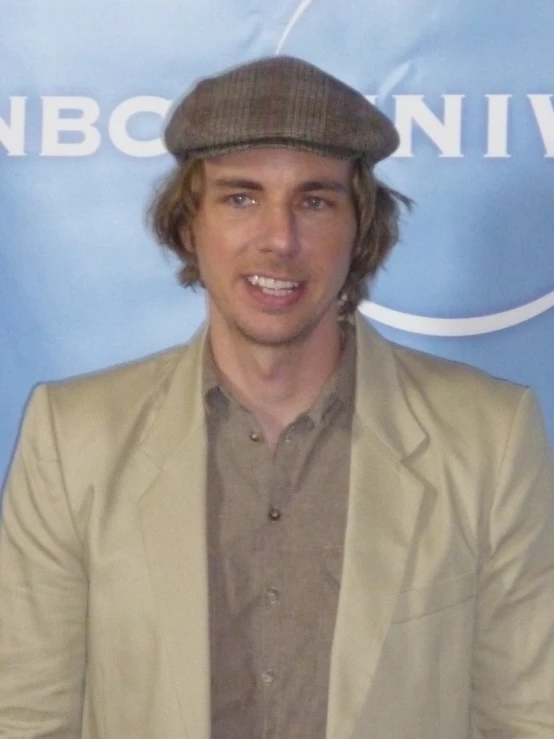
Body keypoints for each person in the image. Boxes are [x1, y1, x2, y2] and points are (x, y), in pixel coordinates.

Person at [0, 56, 553, 739]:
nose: (279, 239)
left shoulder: (489, 438)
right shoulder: (72, 438)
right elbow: (26, 717)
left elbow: (528, 716)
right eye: (240, 197)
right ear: (186, 226)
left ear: (361, 232)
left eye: (315, 201)